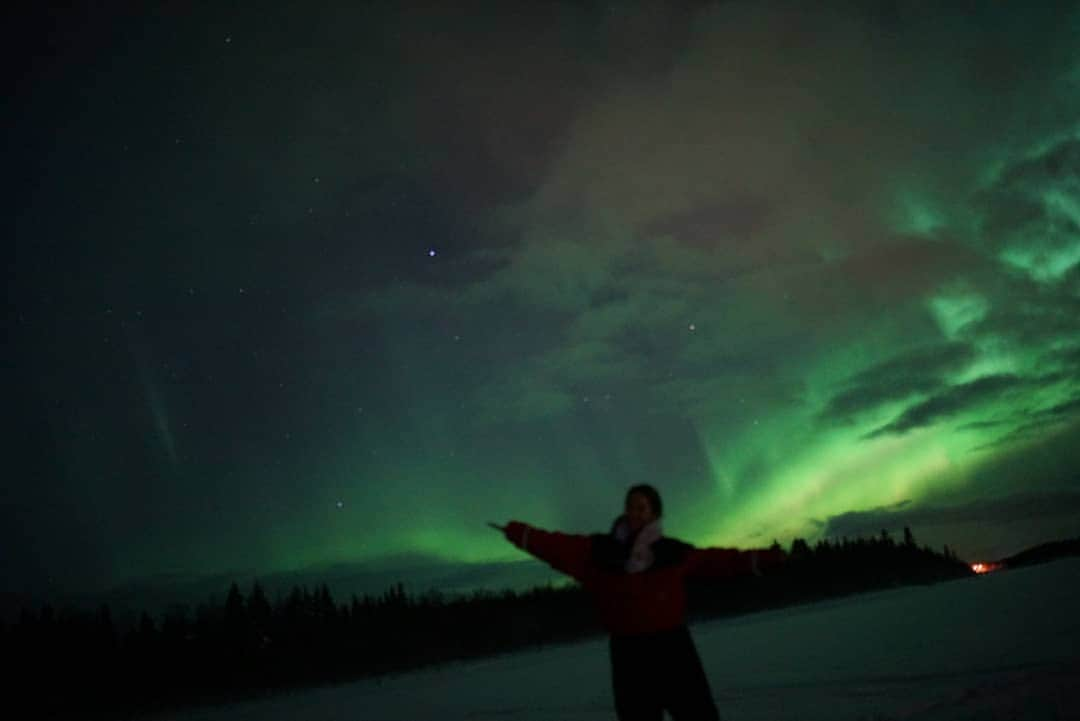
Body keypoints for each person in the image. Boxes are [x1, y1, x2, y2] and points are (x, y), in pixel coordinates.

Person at [493, 484, 785, 721]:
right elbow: (558, 546)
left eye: (641, 507)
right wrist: (521, 533)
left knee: (698, 715)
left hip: (674, 650)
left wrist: (761, 559)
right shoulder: (600, 552)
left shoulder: (671, 552)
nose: (633, 512)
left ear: (654, 514)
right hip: (629, 657)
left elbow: (718, 561)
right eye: (630, 506)